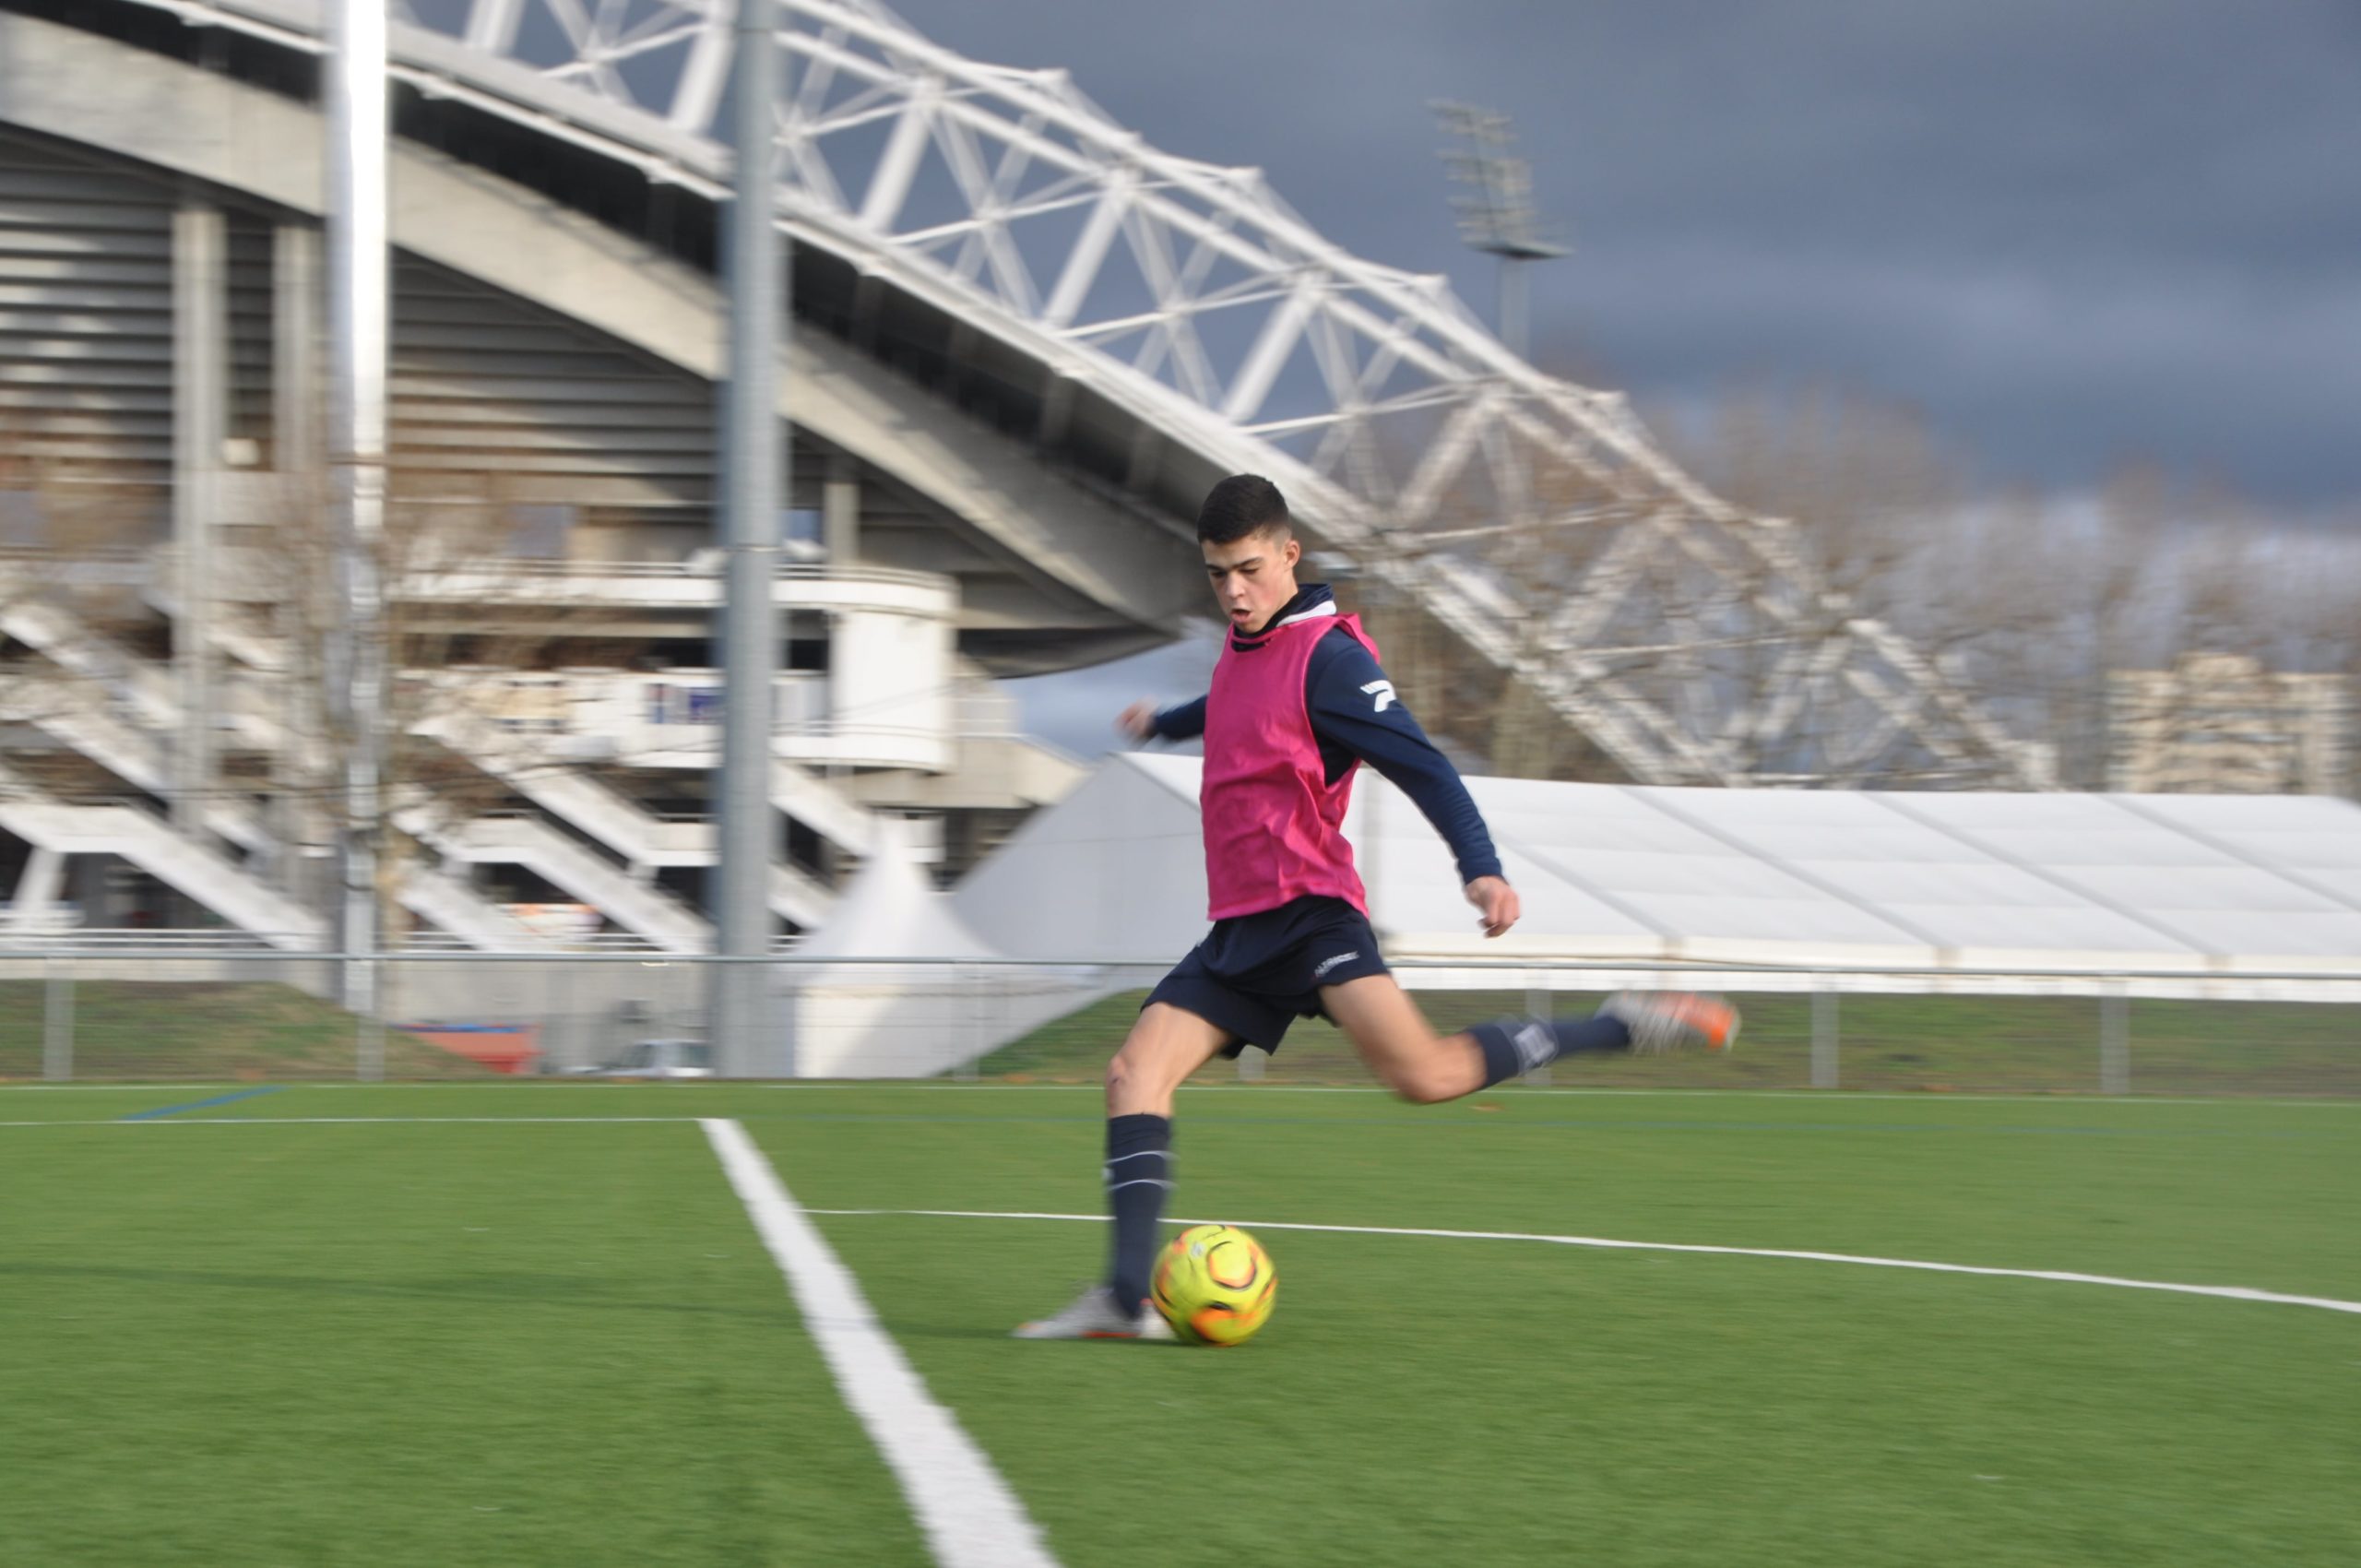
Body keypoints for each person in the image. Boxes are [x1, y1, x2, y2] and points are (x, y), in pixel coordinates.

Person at [1015, 475, 1738, 1340]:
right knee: (1133, 1075)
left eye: (1249, 569)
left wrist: (1482, 869)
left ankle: (1619, 1024)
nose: (1234, 592)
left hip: (1315, 917)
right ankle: (1126, 1301)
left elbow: (1424, 765)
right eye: (1217, 575)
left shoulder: (1335, 660)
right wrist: (1165, 722)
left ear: (1290, 555)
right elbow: (1235, 708)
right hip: (1241, 931)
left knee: (1425, 1077)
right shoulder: (1247, 646)